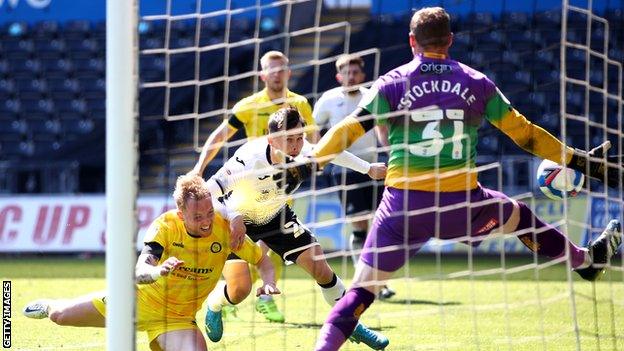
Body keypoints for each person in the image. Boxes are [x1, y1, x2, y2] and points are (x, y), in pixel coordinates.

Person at [281, 7, 622, 350]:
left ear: (412, 41)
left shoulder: (393, 81)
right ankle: (584, 262)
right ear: (450, 41)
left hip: (402, 209)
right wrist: (580, 160)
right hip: (462, 206)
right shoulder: (476, 82)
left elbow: (348, 128)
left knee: (359, 293)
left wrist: (309, 164)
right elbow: (526, 135)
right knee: (519, 216)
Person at [202, 106, 390, 350]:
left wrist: (368, 168)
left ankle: (351, 325)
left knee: (321, 268)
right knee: (240, 291)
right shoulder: (248, 159)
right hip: (237, 222)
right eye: (288, 139)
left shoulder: (305, 152)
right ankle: (214, 305)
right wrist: (234, 215)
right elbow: (207, 193)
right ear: (272, 139)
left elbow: (332, 152)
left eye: (299, 137)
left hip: (276, 217)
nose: (296, 145)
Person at [22, 174, 279, 351]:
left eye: (210, 213)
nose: (206, 221)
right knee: (61, 316)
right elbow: (141, 270)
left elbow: (262, 261)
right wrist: (157, 272)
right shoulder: (165, 226)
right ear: (181, 214)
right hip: (134, 303)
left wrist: (268, 284)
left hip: (176, 319)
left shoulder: (224, 230)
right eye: (198, 216)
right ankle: (49, 305)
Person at [190, 50, 320, 322]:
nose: (276, 73)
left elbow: (315, 142)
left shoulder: (300, 104)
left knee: (271, 245)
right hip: (246, 189)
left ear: (289, 72)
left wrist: (317, 162)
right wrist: (199, 168)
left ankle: (266, 298)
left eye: (281, 68)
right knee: (242, 245)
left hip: (281, 188)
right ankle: (231, 293)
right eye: (271, 69)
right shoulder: (249, 105)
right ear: (262, 74)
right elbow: (220, 135)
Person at [313, 53, 395, 300]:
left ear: (362, 74)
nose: (351, 76)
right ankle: (368, 283)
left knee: (380, 224)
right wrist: (319, 159)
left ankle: (376, 280)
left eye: (355, 72)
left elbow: (382, 127)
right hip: (345, 170)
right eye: (346, 73)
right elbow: (314, 130)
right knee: (360, 223)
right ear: (339, 76)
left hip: (374, 167)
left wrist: (391, 153)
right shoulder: (328, 99)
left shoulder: (371, 96)